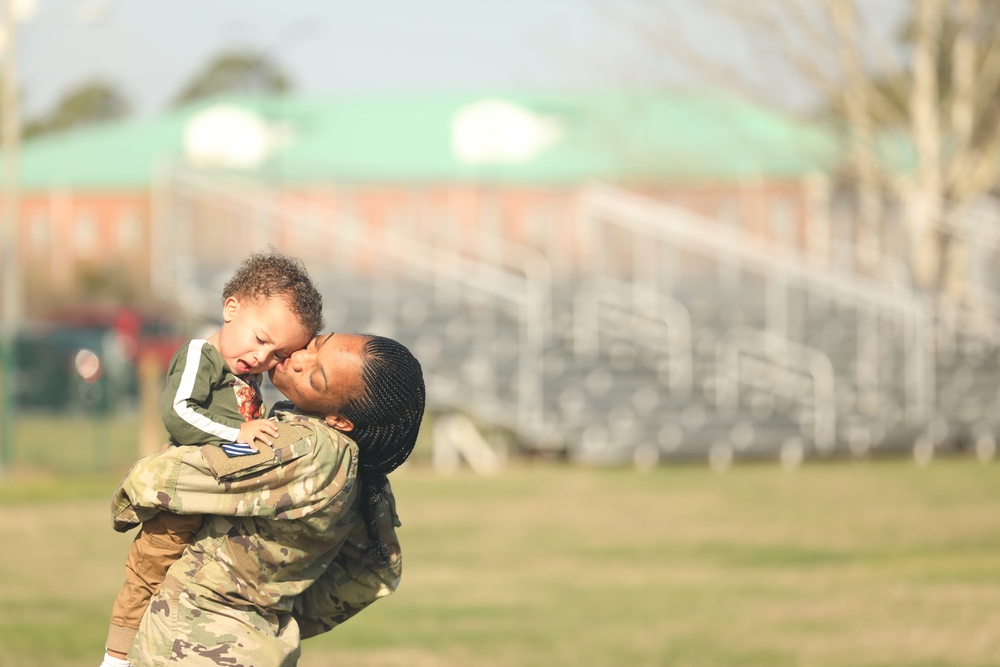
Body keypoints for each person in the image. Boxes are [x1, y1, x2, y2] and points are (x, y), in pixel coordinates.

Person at [106, 333, 426, 667]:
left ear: (340, 420)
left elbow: (154, 480)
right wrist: (268, 614)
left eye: (316, 377)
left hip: (191, 646)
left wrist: (235, 609)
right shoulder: (361, 468)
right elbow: (376, 572)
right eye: (316, 344)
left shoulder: (301, 447)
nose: (299, 360)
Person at [101, 251, 325, 667]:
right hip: (185, 496)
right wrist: (238, 432)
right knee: (149, 572)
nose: (263, 358)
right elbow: (179, 413)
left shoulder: (248, 375)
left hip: (224, 501)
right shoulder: (199, 355)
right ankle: (115, 658)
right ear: (231, 308)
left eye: (278, 354)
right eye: (261, 340)